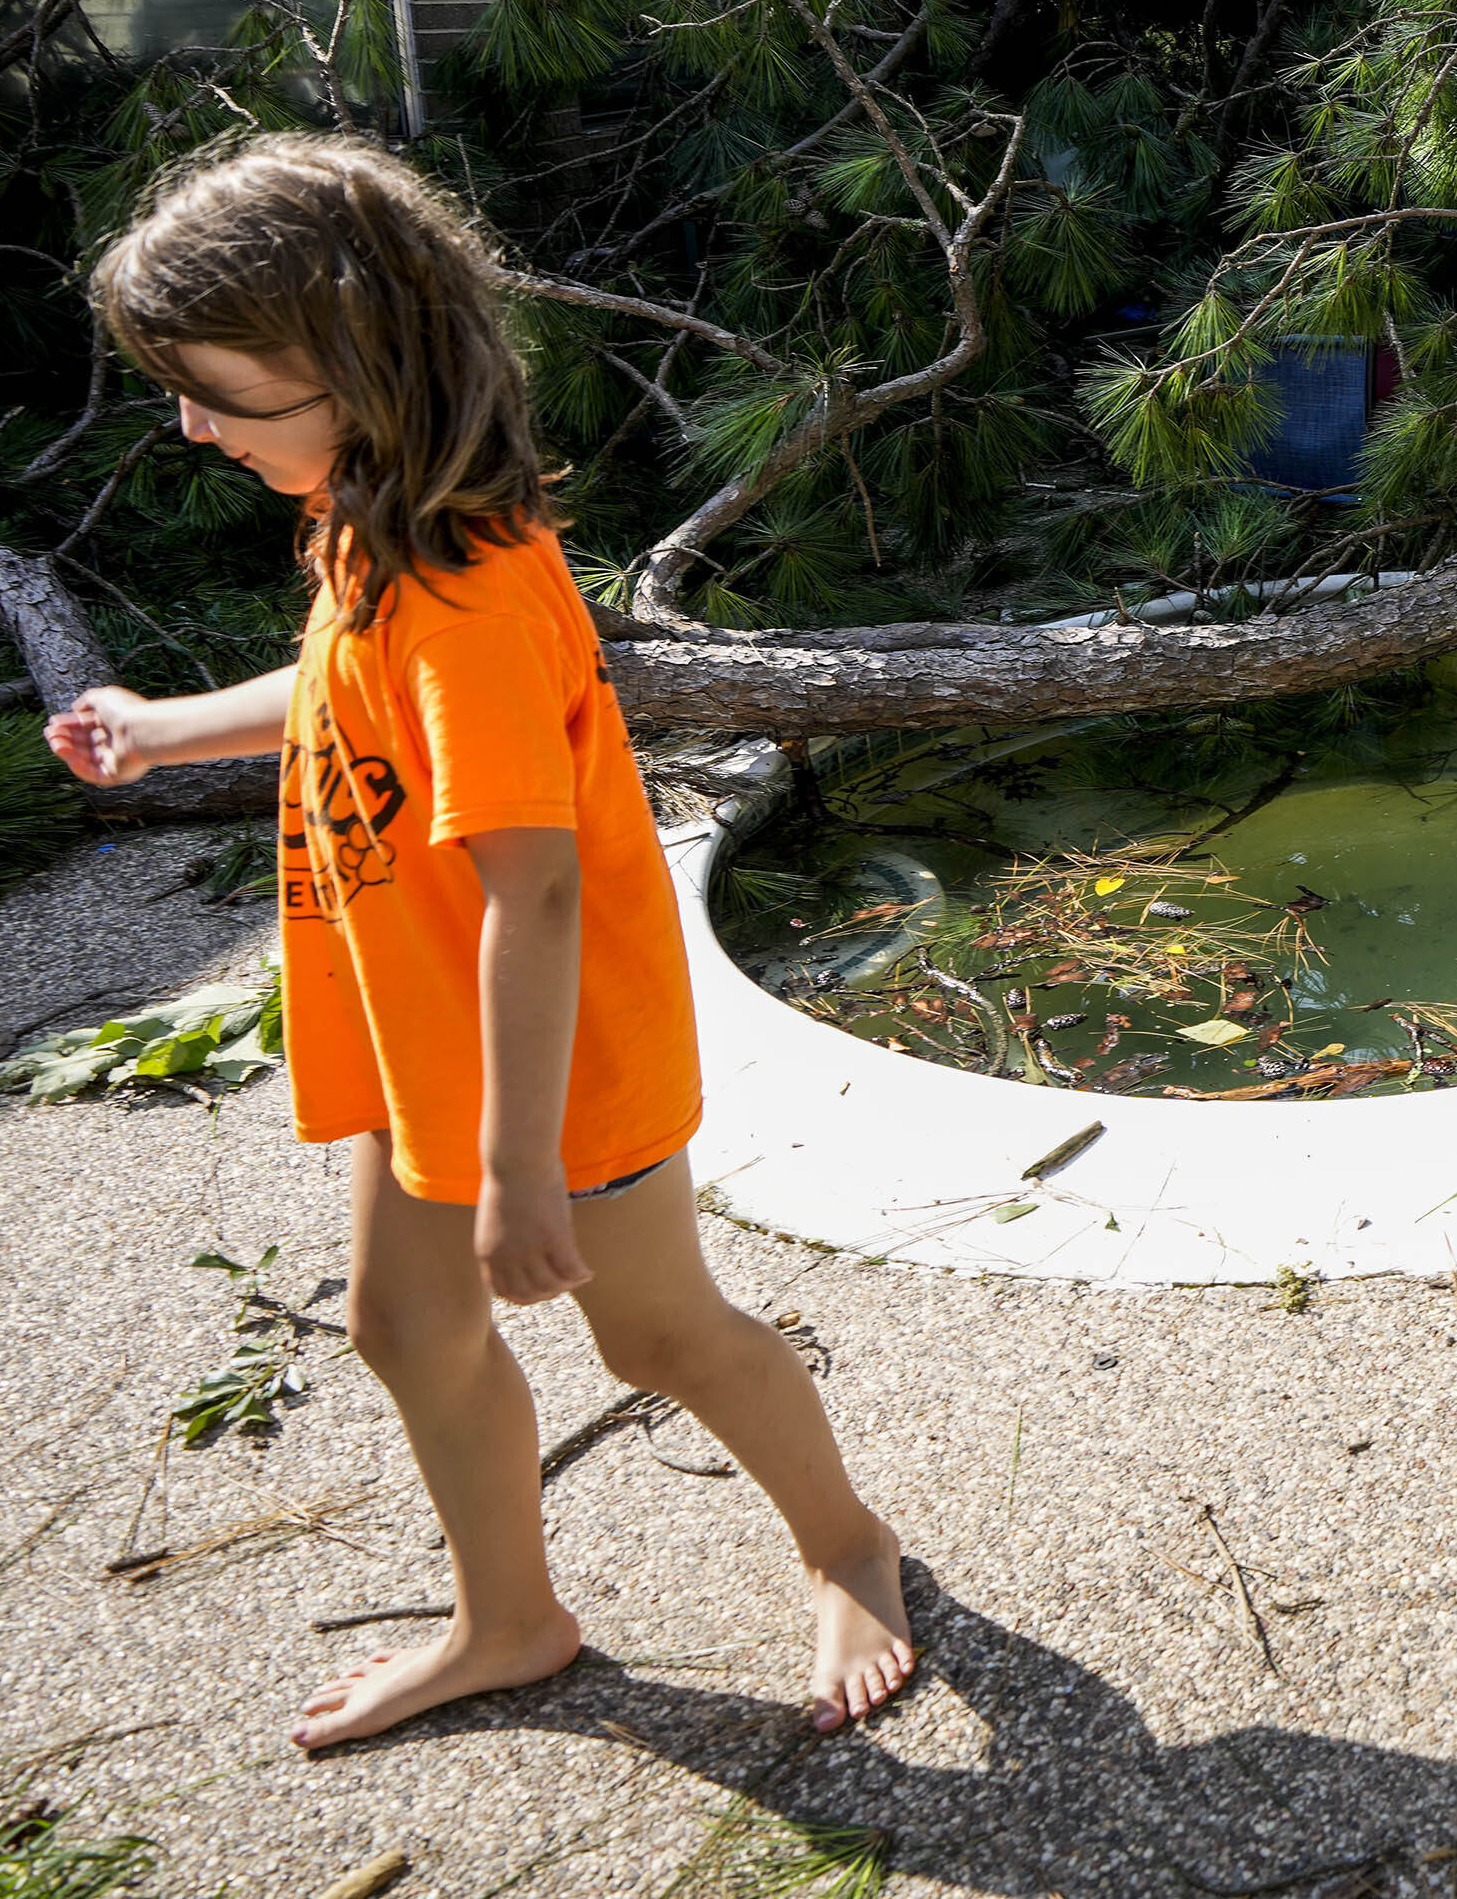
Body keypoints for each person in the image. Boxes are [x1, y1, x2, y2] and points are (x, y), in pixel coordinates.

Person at [46, 130, 911, 1749]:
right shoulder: (372, 522)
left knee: (657, 1335)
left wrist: (519, 1168)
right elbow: (338, 701)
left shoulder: (470, 596)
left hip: (551, 1068)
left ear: (355, 365)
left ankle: (848, 1542)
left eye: (217, 392)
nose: (190, 423)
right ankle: (510, 1620)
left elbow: (538, 891)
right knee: (403, 1324)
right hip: (421, 1023)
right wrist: (165, 731)